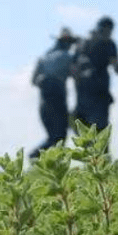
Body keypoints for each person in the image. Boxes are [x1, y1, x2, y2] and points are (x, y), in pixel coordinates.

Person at [30, 28, 78, 158]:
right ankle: (36, 156)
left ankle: (40, 159)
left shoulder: (44, 57)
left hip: (44, 100)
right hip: (57, 96)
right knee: (59, 137)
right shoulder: (68, 56)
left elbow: (34, 81)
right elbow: (75, 75)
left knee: (54, 136)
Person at [71, 16, 118, 132]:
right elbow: (117, 69)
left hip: (90, 92)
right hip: (93, 93)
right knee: (96, 131)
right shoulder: (107, 44)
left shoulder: (85, 43)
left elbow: (73, 67)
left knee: (91, 128)